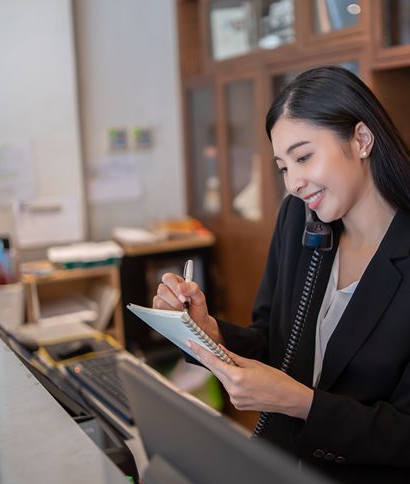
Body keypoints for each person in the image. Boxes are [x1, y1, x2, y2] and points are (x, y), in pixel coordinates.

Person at [153, 66, 410, 483]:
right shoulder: (300, 220)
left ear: (361, 140)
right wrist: (208, 333)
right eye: (283, 167)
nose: (294, 183)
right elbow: (274, 342)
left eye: (304, 157)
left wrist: (303, 403)